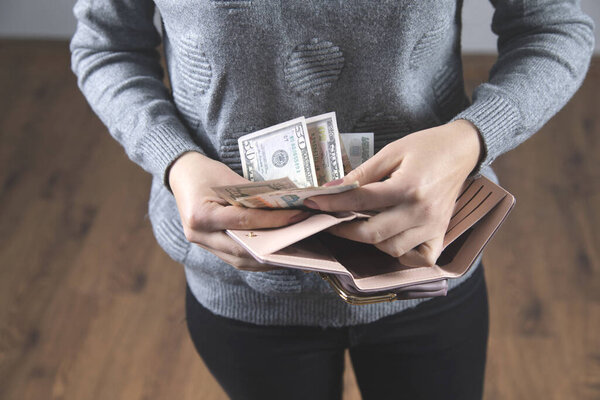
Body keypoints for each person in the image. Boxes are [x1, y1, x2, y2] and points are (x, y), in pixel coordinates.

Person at [70, 1, 594, 399]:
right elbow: (107, 46)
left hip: (425, 259)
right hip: (243, 286)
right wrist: (176, 161)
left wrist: (472, 137)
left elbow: (555, 25)